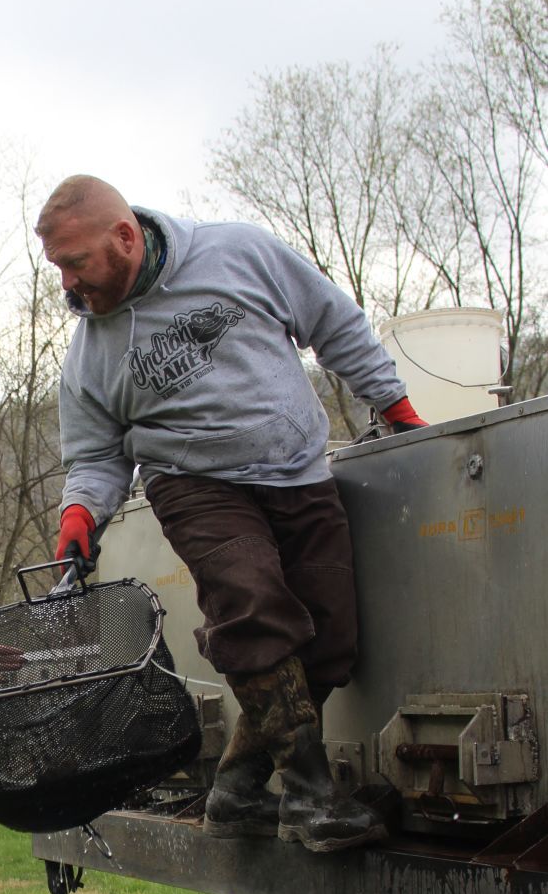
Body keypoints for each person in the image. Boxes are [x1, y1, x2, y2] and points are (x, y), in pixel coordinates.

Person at [38, 174, 427, 853]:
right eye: (57, 269)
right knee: (252, 608)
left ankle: (238, 788)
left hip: (296, 469)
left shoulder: (240, 254)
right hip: (192, 484)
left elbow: (331, 320)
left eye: (74, 263)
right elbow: (97, 460)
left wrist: (391, 403)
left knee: (330, 643)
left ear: (124, 237)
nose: (68, 285)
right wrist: (79, 515)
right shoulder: (88, 355)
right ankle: (309, 800)